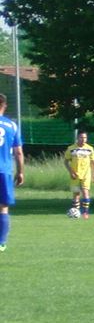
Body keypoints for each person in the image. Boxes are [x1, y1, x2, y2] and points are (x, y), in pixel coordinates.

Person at [0, 94, 21, 251]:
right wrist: (20, 172)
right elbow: (18, 152)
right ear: (5, 106)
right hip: (5, 171)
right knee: (3, 207)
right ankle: (1, 242)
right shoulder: (11, 125)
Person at [63, 130, 94, 219]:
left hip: (86, 174)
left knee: (85, 192)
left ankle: (85, 213)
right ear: (77, 138)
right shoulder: (71, 148)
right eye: (81, 137)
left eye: (85, 137)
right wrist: (71, 172)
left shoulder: (90, 149)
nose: (83, 139)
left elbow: (93, 163)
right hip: (75, 174)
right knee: (76, 194)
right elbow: (66, 162)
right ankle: (76, 212)